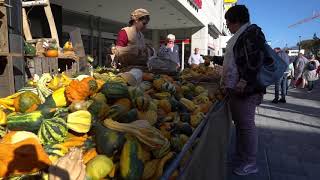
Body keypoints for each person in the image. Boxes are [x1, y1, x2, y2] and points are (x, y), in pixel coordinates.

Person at [221, 5, 266, 176]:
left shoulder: (251, 33)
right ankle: (242, 156)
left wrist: (244, 80)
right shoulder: (243, 35)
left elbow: (256, 59)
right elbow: (237, 59)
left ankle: (250, 162)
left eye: (228, 23)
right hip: (239, 88)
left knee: (246, 126)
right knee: (241, 125)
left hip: (247, 89)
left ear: (236, 21)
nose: (228, 27)